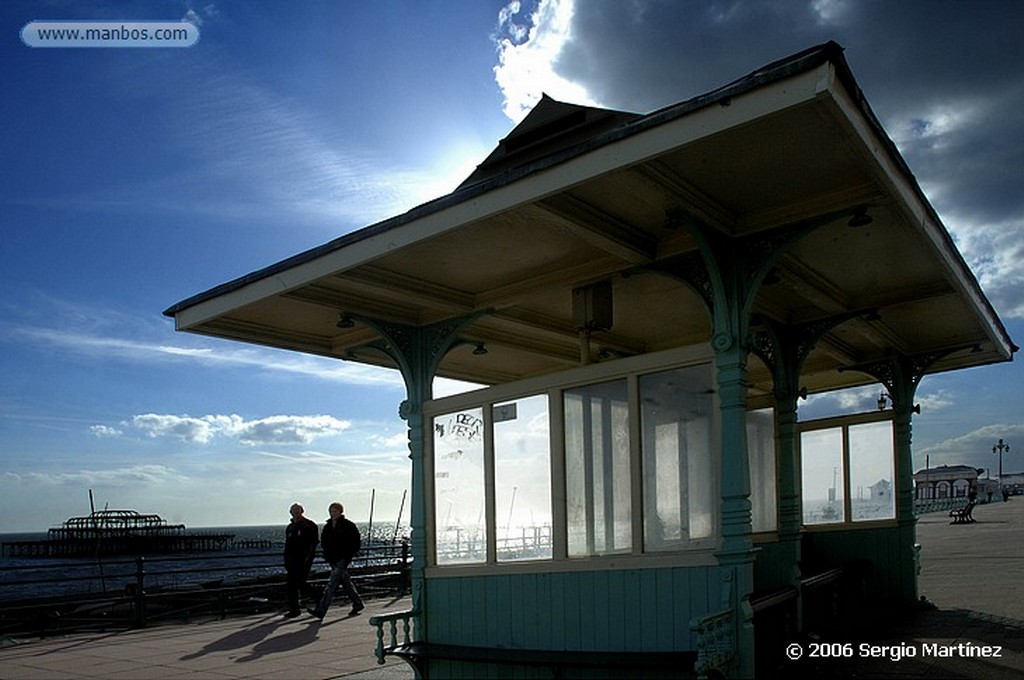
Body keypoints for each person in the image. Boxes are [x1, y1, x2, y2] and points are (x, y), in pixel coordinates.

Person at [309, 501, 364, 619]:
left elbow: (355, 541)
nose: (332, 513)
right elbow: (324, 541)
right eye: (331, 511)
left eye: (335, 511)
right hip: (332, 558)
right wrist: (327, 554)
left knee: (332, 584)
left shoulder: (348, 525)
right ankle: (357, 603)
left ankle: (321, 610)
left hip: (343, 558)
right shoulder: (328, 526)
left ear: (340, 512)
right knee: (346, 582)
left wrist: (348, 554)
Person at [283, 502, 319, 618]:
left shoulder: (309, 525)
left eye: (298, 510)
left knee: (300, 583)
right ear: (291, 512)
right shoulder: (290, 527)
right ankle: (295, 609)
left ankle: (320, 597)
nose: (296, 512)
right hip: (291, 560)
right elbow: (287, 546)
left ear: (302, 511)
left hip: (303, 560)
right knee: (291, 585)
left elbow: (313, 544)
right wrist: (286, 560)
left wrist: (307, 559)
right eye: (294, 510)